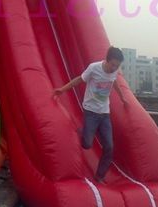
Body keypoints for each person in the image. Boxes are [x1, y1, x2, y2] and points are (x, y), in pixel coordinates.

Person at [53, 46, 129, 183]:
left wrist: (122, 97)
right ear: (107, 60)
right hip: (91, 112)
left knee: (109, 147)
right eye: (112, 65)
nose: (114, 68)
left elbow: (114, 82)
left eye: (117, 66)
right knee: (87, 144)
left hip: (105, 113)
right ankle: (81, 132)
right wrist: (62, 89)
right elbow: (79, 79)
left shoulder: (114, 71)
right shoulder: (94, 68)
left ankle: (99, 176)